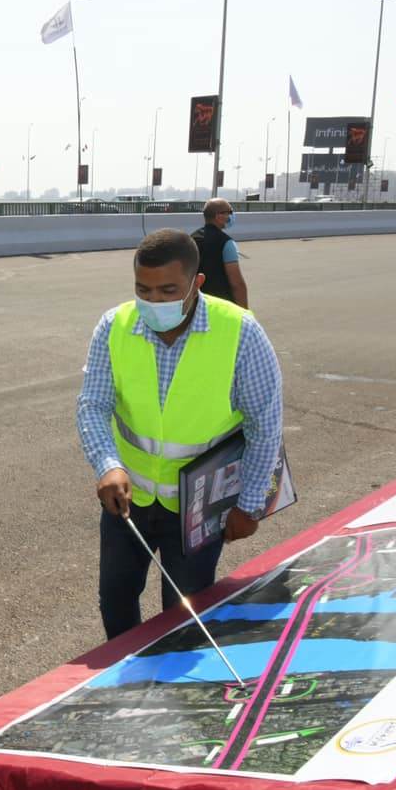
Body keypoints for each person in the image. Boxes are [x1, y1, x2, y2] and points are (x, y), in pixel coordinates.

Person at [76, 228, 282, 640]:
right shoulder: (114, 326)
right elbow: (93, 404)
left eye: (168, 291)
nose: (154, 302)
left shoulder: (240, 332)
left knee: (184, 614)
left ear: (196, 283)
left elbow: (265, 424)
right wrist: (108, 465)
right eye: (143, 290)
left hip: (199, 506)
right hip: (128, 499)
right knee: (115, 598)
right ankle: (127, 671)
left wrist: (250, 505)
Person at [190, 198, 248, 308]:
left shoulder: (191, 239)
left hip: (196, 304)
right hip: (221, 304)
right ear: (218, 216)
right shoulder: (226, 243)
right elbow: (237, 284)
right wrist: (245, 312)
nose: (231, 216)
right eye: (229, 212)